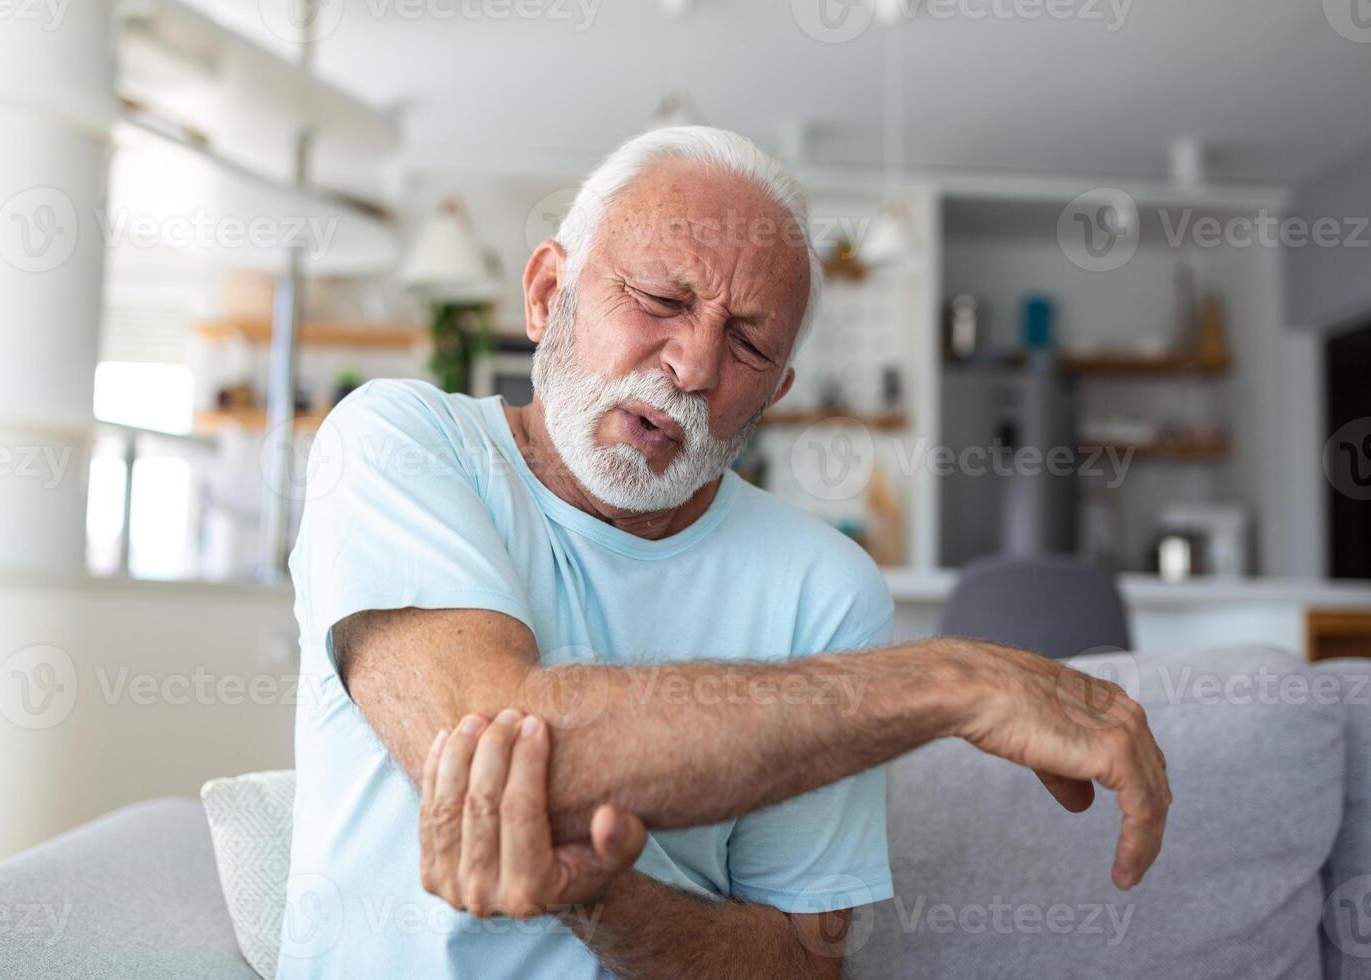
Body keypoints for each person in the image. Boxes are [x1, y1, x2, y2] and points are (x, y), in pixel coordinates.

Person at [277, 125, 1170, 979]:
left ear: (774, 394)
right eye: (662, 300)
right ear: (550, 292)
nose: (696, 365)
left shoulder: (822, 586)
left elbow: (798, 968)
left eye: (748, 342)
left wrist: (606, 900)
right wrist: (954, 682)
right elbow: (480, 740)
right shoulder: (398, 441)